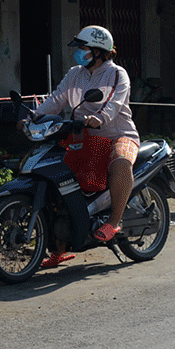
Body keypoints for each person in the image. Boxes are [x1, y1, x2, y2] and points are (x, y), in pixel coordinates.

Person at [29, 25, 141, 268]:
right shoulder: (74, 74)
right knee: (61, 181)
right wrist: (33, 116)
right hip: (83, 137)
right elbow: (57, 100)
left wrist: (99, 118)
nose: (78, 53)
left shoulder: (117, 74)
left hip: (118, 136)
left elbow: (112, 103)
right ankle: (59, 248)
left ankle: (113, 221)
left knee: (121, 161)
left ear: (98, 51)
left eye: (82, 48)